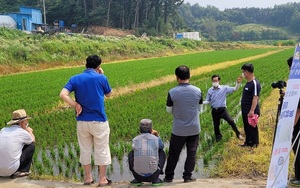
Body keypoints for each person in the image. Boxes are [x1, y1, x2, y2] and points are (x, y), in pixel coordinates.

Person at [59, 55, 112, 186]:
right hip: (99, 120)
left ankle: (88, 178)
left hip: (82, 121)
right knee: (102, 149)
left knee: (85, 149)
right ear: (98, 66)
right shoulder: (101, 78)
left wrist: (75, 104)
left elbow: (63, 94)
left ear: (85, 64)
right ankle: (102, 179)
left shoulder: (75, 78)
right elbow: (109, 94)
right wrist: (102, 75)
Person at [164, 65, 203, 183]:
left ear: (177, 77)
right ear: (189, 75)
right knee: (192, 153)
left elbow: (168, 110)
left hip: (178, 129)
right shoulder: (198, 91)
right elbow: (200, 109)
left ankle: (169, 177)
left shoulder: (172, 92)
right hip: (194, 128)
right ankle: (187, 176)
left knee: (173, 154)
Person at [203, 74, 243, 142]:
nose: (214, 82)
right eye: (213, 81)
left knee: (231, 121)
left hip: (222, 110)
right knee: (216, 125)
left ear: (219, 81)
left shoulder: (224, 88)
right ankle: (218, 137)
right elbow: (208, 101)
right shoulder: (210, 90)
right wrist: (201, 102)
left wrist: (237, 83)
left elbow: (235, 89)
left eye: (216, 80)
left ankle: (238, 134)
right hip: (214, 111)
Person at [128, 119, 165, 186]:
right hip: (154, 175)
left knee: (131, 153)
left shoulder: (135, 140)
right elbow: (162, 146)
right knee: (161, 152)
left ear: (140, 130)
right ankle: (156, 179)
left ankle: (137, 180)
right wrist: (157, 135)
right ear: (151, 130)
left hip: (137, 175)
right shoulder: (156, 139)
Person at [0, 109, 35, 178]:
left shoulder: (3, 130)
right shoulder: (22, 132)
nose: (27, 124)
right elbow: (33, 140)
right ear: (21, 123)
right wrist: (30, 131)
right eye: (26, 122)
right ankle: (22, 171)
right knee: (31, 145)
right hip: (11, 170)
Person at [240, 63, 261, 148]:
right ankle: (248, 142)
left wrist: (252, 110)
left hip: (251, 110)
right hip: (245, 110)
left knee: (252, 127)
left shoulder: (254, 83)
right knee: (246, 126)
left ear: (247, 72)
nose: (243, 74)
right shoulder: (248, 83)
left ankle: (254, 143)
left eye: (243, 72)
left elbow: (255, 98)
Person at [287, 57, 300, 185]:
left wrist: (292, 125)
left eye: (290, 68)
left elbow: (298, 110)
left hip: (298, 125)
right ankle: (297, 175)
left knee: (298, 150)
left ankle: (299, 177)